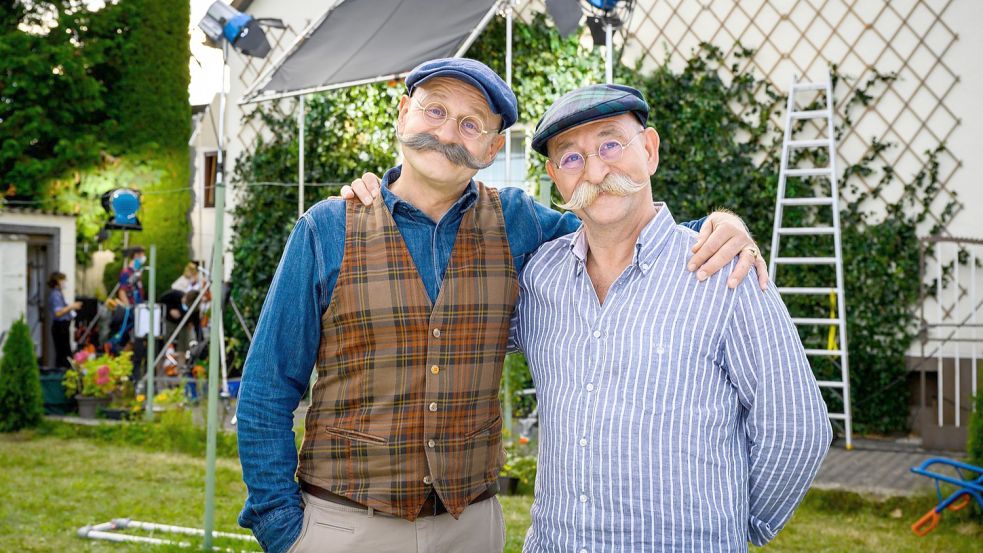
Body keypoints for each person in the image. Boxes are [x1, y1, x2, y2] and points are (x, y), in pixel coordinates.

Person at [237, 58, 761, 553]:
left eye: (471, 124)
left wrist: (720, 227)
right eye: (435, 110)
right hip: (344, 525)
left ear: (492, 148)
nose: (446, 133)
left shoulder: (518, 222)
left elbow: (619, 230)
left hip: (470, 529)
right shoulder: (328, 227)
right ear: (403, 114)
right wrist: (281, 525)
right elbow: (266, 387)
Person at [506, 83, 832, 551]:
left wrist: (735, 524)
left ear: (650, 149)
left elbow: (796, 427)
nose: (595, 170)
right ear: (554, 175)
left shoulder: (724, 272)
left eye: (610, 143)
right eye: (572, 157)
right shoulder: (541, 278)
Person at [47, 272, 80, 369]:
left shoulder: (58, 294)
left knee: (64, 351)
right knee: (64, 352)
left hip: (64, 325)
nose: (65, 282)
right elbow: (58, 312)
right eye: (63, 280)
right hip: (60, 325)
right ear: (57, 281)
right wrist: (71, 307)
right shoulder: (55, 295)